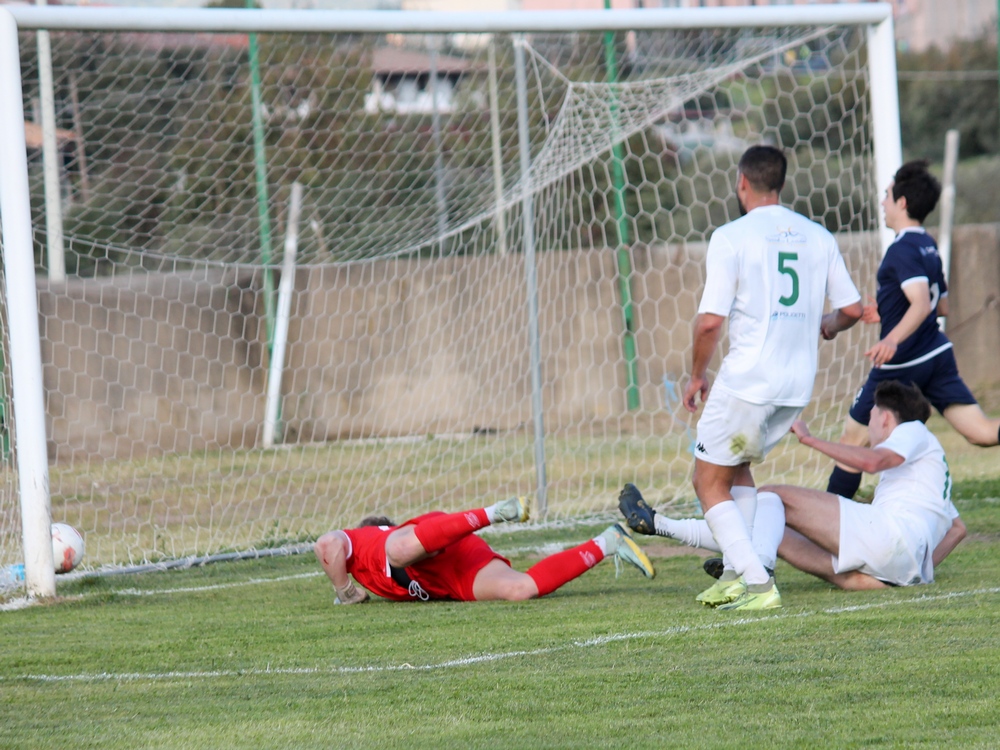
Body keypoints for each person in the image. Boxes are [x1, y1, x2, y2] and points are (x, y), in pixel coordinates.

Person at [679, 145, 863, 610]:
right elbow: (853, 310)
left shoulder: (731, 236)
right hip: (795, 387)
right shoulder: (818, 235)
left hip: (748, 381)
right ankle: (737, 574)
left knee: (706, 481)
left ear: (742, 182)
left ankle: (758, 583)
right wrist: (829, 326)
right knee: (736, 469)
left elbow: (708, 322)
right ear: (780, 183)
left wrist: (697, 375)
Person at [620, 381, 966, 591]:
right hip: (903, 565)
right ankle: (662, 525)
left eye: (872, 418)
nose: (870, 426)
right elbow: (956, 529)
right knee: (775, 533)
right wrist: (920, 572)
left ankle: (756, 571)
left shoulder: (913, 430)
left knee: (771, 498)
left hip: (893, 535)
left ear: (886, 417)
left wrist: (811, 440)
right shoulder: (935, 471)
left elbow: (875, 462)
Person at [827, 159, 1000, 502]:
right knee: (981, 432)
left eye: (888, 195)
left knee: (852, 441)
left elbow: (921, 304)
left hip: (901, 362)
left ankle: (832, 523)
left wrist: (891, 337)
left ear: (902, 202)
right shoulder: (928, 245)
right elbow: (942, 307)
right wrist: (889, 311)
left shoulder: (901, 248)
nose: (883, 202)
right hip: (936, 354)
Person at [314, 495, 654, 604]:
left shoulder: (365, 542)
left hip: (430, 538)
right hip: (454, 571)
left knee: (399, 551)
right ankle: (608, 542)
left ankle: (495, 512)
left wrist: (345, 592)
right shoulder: (368, 577)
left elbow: (327, 544)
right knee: (519, 590)